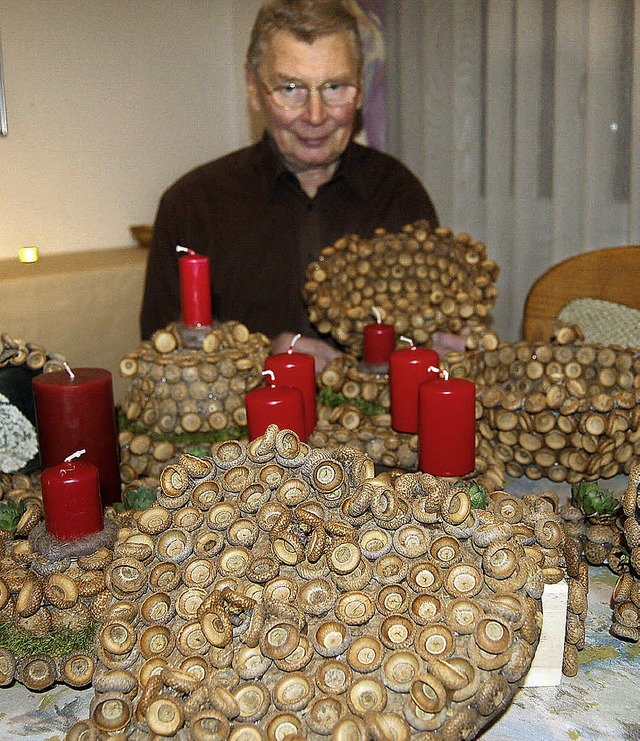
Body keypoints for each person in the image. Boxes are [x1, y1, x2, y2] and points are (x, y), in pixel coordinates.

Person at [140, 0, 442, 370]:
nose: (315, 116)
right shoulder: (192, 205)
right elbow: (157, 359)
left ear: (360, 89)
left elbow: (427, 342)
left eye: (335, 87)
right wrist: (258, 360)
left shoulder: (399, 194)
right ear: (253, 89)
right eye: (290, 89)